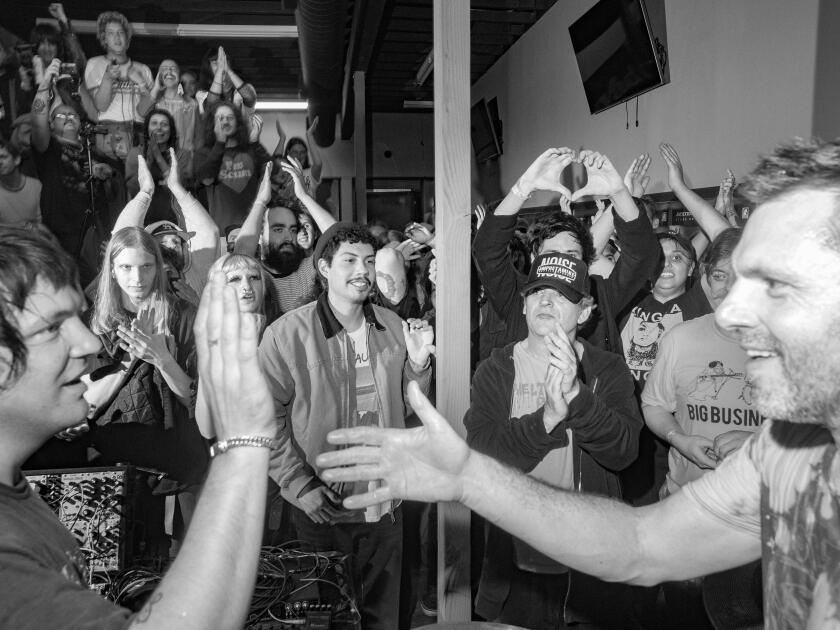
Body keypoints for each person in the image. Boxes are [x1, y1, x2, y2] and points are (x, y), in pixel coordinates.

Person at [317, 137, 840, 627]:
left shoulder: (606, 337)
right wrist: (471, 478)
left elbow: (620, 449)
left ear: (586, 305)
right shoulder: (786, 455)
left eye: (774, 282)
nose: (729, 314)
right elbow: (641, 543)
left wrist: (619, 196)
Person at [0, 226, 277, 629]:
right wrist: (245, 443)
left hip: (173, 462)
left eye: (147, 266)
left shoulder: (20, 503)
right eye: (51, 327)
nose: (90, 343)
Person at [258, 222, 434, 629]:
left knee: (383, 618)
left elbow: (411, 406)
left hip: (385, 506)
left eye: (369, 262)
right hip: (321, 509)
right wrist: (299, 485)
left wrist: (420, 365)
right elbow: (265, 420)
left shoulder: (391, 326)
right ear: (323, 268)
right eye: (350, 261)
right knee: (327, 621)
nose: (363, 271)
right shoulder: (287, 335)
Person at [466, 252, 641, 629]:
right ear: (524, 303)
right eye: (537, 292)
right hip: (515, 563)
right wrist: (547, 418)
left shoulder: (607, 370)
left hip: (590, 565)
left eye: (561, 294)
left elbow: (623, 452)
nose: (545, 301)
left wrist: (577, 397)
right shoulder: (495, 370)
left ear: (585, 311)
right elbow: (483, 457)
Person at [473, 148, 658, 360]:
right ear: (535, 257)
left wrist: (619, 194)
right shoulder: (518, 297)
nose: (562, 260)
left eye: (571, 254)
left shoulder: (600, 295)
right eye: (552, 253)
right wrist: (523, 187)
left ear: (585, 261)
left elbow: (643, 256)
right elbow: (487, 249)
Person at [113, 149, 220, 301]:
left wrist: (177, 188)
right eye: (162, 241)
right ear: (148, 248)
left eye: (176, 241)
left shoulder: (197, 274)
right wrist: (145, 192)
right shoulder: (136, 280)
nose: (171, 244)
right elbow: (121, 237)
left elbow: (209, 232)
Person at [84, 11, 152, 159]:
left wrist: (141, 83)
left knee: (136, 180)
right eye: (111, 33)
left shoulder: (143, 69)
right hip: (108, 131)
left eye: (121, 32)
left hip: (137, 132)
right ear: (104, 38)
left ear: (127, 37)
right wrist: (107, 78)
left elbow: (148, 110)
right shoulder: (94, 64)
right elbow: (100, 106)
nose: (117, 37)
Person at [194, 101, 270, 231]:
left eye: (230, 118)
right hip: (222, 233)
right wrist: (220, 142)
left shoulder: (250, 150)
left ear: (238, 123)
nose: (225, 122)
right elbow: (207, 178)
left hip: (254, 229)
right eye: (220, 118)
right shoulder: (204, 152)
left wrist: (255, 144)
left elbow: (275, 175)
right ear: (212, 123)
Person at [124, 108, 191, 225]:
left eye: (164, 124)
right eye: (154, 123)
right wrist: (149, 160)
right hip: (142, 221)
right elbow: (134, 189)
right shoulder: (136, 153)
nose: (159, 128)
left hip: (174, 221)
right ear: (147, 128)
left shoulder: (181, 155)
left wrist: (157, 156)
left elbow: (176, 188)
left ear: (171, 131)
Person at [137, 59, 197, 155]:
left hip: (184, 158)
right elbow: (141, 112)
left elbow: (199, 136)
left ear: (179, 75)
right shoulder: (154, 100)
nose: (169, 71)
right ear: (159, 76)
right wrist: (156, 88)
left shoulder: (192, 103)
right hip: (159, 157)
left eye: (173, 69)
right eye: (164, 69)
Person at [0, 135, 41, 226]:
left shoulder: (36, 186)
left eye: (3, 157)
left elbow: (42, 221)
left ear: (17, 160)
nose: (0, 162)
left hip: (35, 237)